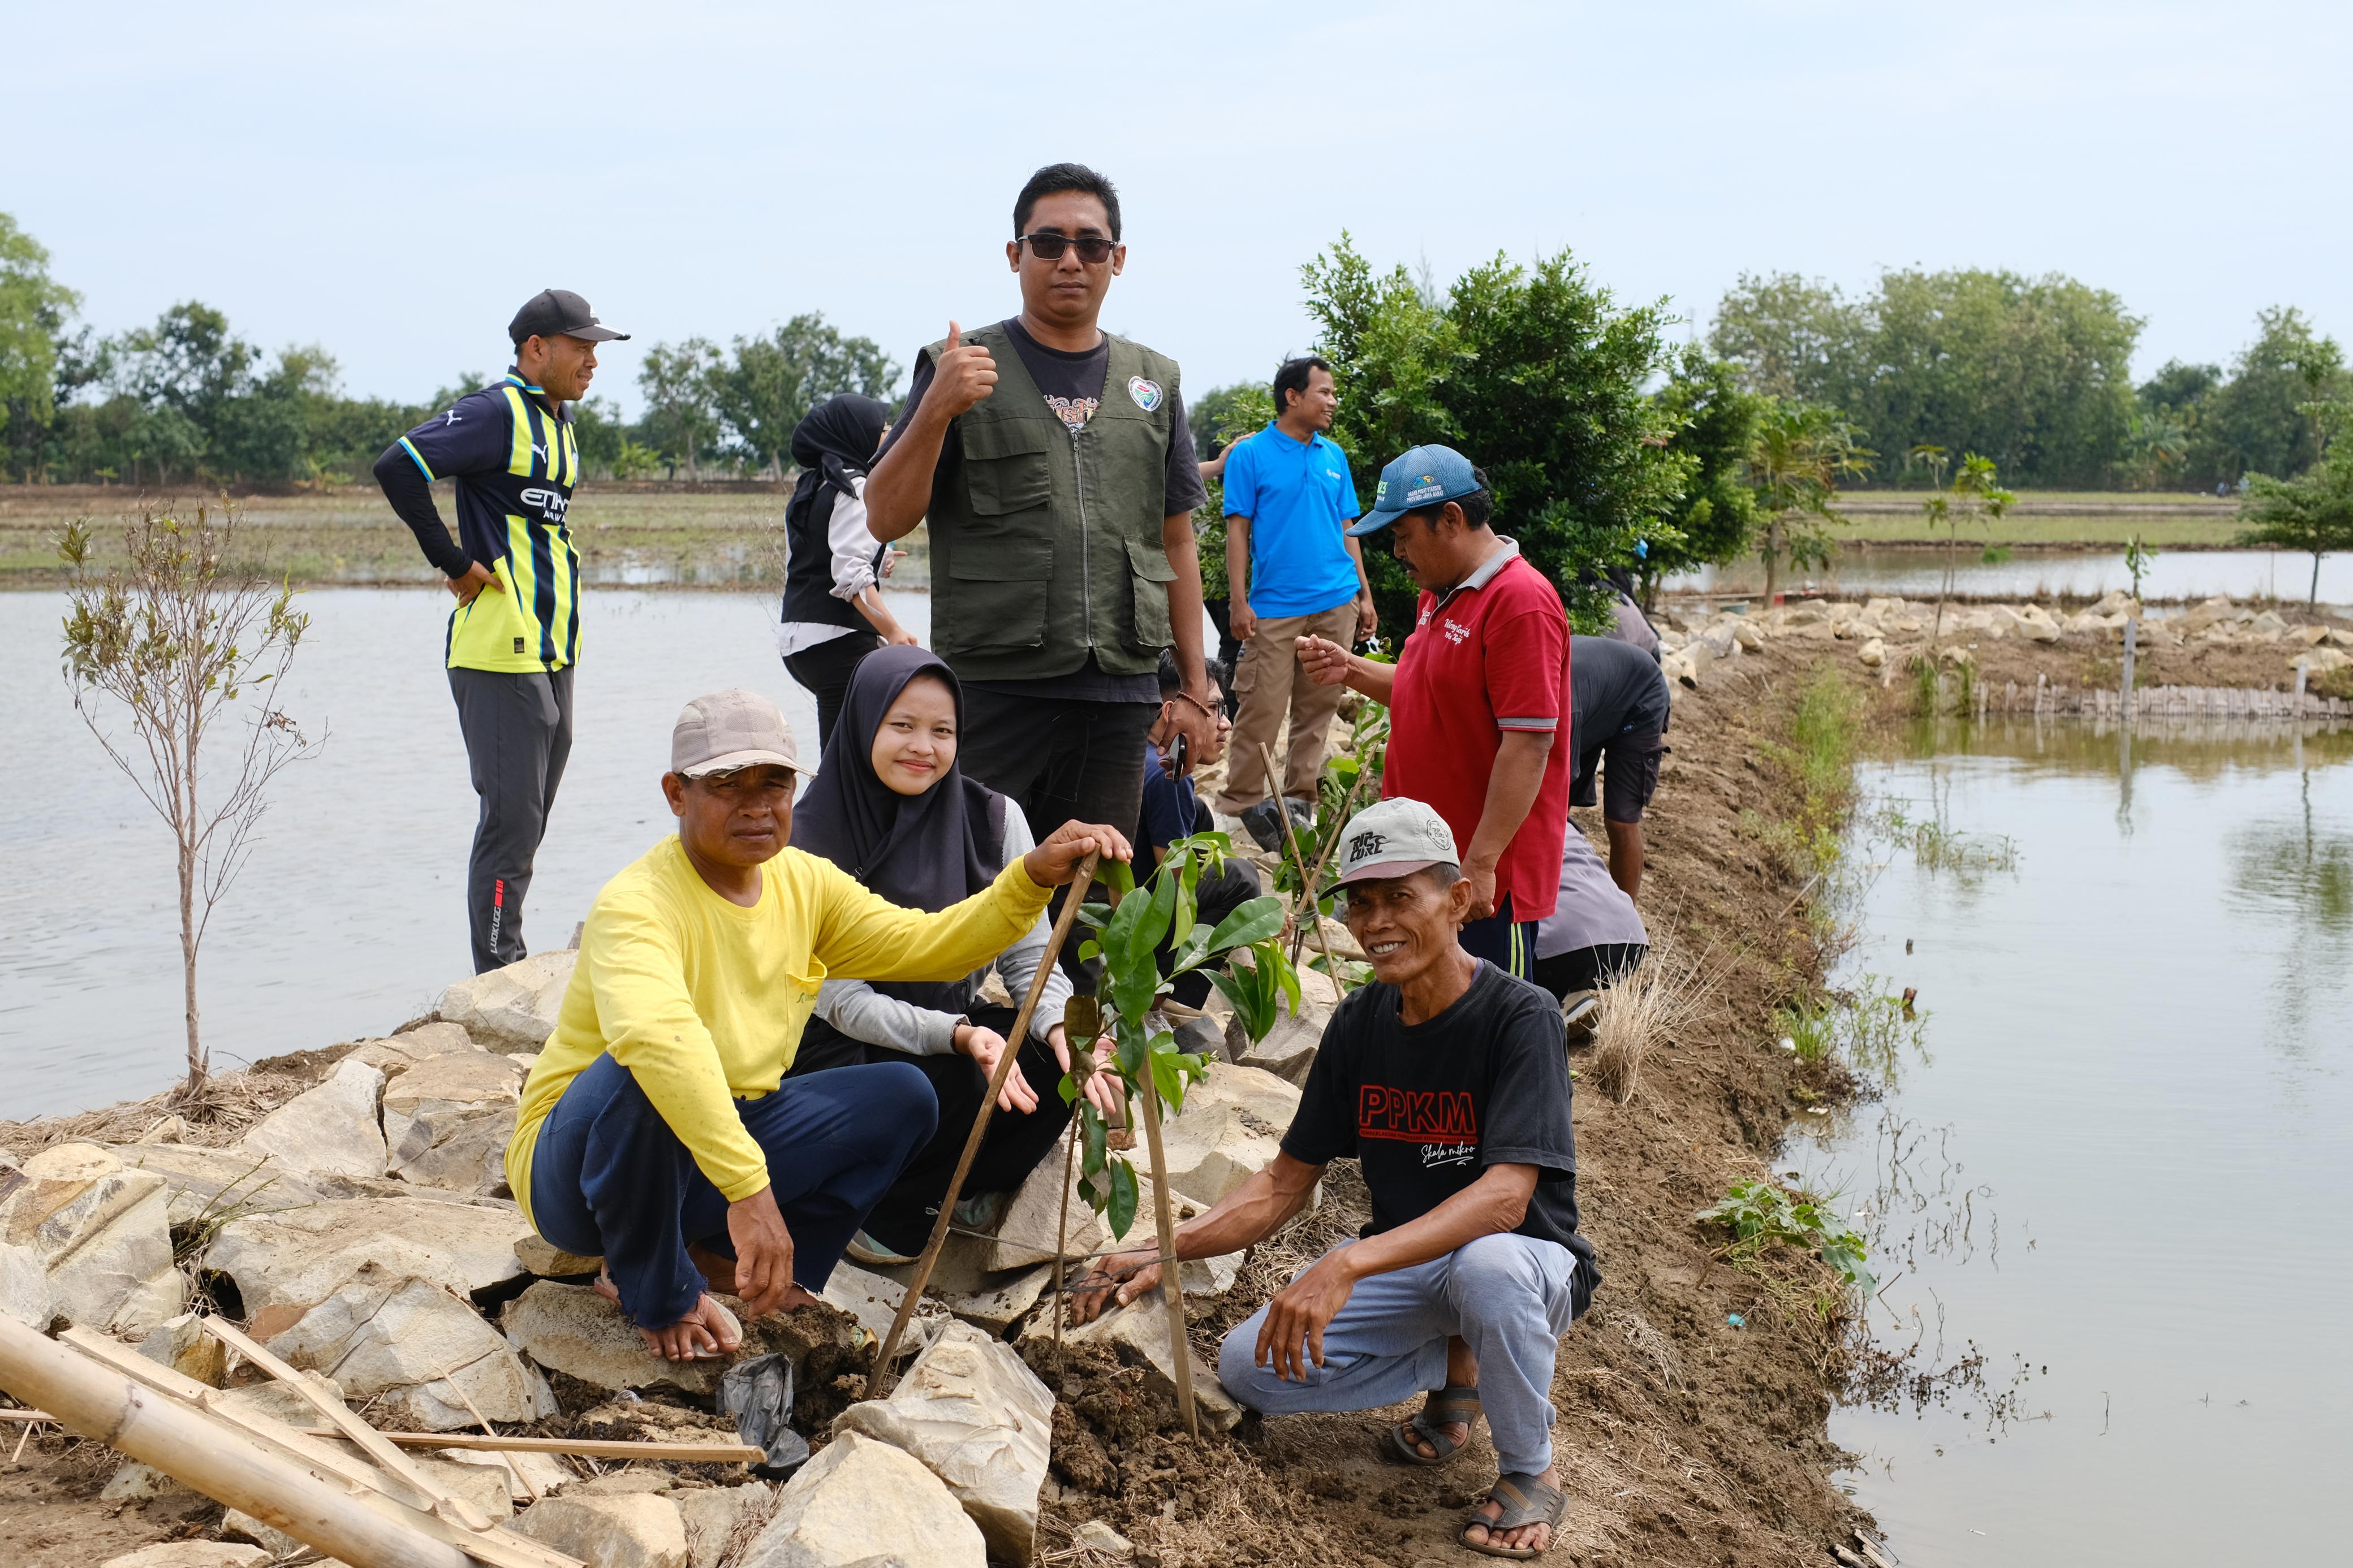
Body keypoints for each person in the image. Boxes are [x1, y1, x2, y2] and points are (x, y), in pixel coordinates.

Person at [506, 688, 1130, 1362]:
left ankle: (744, 1269)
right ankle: (652, 1287)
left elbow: (930, 943)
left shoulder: (803, 881)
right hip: (580, 1176)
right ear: (676, 794)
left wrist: (1030, 877)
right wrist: (749, 1193)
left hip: (711, 1145)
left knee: (902, 1096)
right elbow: (663, 1046)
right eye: (726, 785)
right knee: (645, 1074)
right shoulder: (637, 903)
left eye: (773, 783)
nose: (755, 805)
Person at [1070, 798, 1599, 1560]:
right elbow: (1284, 1182)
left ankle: (1531, 1465)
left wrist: (1346, 1262)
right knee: (1251, 1369)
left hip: (1524, 1260)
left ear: (1457, 901)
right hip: (1415, 1262)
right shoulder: (1359, 1022)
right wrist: (1161, 1248)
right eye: (1361, 901)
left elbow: (1506, 1198)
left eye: (1400, 898)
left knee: (1488, 1272)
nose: (1375, 920)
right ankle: (1466, 1364)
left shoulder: (1522, 1015)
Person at [859, 161, 1225, 852]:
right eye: (1047, 242)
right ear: (1014, 254)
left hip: (1118, 696)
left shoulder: (1153, 381)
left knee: (1087, 900)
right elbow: (883, 517)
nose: (1069, 260)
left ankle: (1063, 972)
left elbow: (1177, 543)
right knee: (964, 885)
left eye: (1090, 245)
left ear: (1116, 260)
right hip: (994, 685)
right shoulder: (959, 365)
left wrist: (1197, 690)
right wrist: (937, 408)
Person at [783, 647, 1125, 1265]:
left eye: (942, 731)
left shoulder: (993, 820)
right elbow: (838, 1000)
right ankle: (875, 1207)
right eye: (901, 726)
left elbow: (1030, 964)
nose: (923, 747)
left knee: (1052, 1062)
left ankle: (952, 1186)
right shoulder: (805, 840)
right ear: (861, 724)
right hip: (834, 1046)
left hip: (949, 1032)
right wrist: (959, 1034)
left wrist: (1068, 1033)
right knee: (934, 1077)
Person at [373, 288, 628, 973]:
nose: (592, 362)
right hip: (498, 648)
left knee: (532, 817)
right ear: (535, 348)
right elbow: (397, 466)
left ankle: (507, 953)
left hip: (555, 647)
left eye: (596, 349)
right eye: (582, 348)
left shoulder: (561, 422)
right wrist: (452, 561)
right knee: (510, 819)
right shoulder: (494, 413)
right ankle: (500, 971)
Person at [1297, 446, 1572, 981]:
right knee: (1431, 1019)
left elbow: (1529, 742)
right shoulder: (1439, 594)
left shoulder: (1519, 601)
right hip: (1426, 862)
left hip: (1480, 879)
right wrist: (1350, 669)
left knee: (1491, 1024)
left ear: (1450, 518)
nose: (1398, 552)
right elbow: (1422, 689)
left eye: (1404, 536)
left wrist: (1483, 864)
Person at [1215, 356, 1378, 852]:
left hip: (1336, 599)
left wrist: (1364, 594)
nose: (1332, 402)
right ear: (1293, 396)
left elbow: (1349, 530)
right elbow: (1237, 531)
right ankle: (1237, 808)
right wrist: (1239, 602)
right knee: (1262, 708)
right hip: (1274, 607)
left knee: (1319, 708)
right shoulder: (1251, 455)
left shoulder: (1334, 456)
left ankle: (1299, 802)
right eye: (1324, 392)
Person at [778, 395, 921, 748]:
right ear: (855, 435)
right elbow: (850, 574)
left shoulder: (811, 486)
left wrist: (879, 557)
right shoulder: (856, 486)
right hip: (838, 641)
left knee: (843, 750)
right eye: (884, 430)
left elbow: (813, 559)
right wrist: (894, 630)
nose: (890, 436)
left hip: (798, 642)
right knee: (852, 756)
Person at [1140, 653, 1261, 1009]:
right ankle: (1164, 998)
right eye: (1214, 709)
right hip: (1130, 922)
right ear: (1170, 713)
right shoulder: (1170, 773)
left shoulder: (1139, 754)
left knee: (1202, 817)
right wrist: (1254, 919)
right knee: (1241, 880)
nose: (1226, 724)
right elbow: (1174, 885)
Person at [1562, 634, 1670, 899]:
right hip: (1597, 700)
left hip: (1639, 696)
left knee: (1620, 820)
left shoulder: (1556, 706)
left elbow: (1541, 794)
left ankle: (1626, 923)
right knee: (1555, 805)